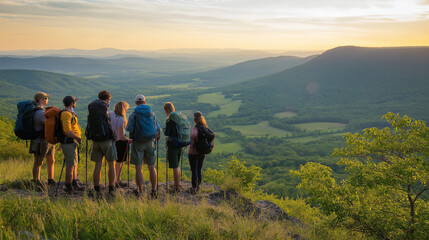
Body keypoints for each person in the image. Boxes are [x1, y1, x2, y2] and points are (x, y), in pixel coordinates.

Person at [126, 94, 160, 197]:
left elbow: (130, 129)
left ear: (136, 103)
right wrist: (156, 137)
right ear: (144, 102)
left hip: (138, 143)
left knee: (138, 168)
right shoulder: (151, 113)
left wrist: (132, 139)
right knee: (152, 167)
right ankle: (154, 191)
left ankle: (139, 190)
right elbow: (157, 128)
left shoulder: (133, 115)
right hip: (150, 141)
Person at [87, 90, 117, 196]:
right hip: (106, 140)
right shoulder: (105, 109)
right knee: (111, 164)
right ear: (107, 99)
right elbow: (109, 125)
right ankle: (111, 188)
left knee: (98, 165)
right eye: (109, 100)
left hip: (95, 140)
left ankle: (96, 188)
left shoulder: (92, 108)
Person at [29, 92, 56, 186]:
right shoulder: (40, 112)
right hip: (40, 141)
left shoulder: (40, 111)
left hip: (46, 140)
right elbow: (48, 124)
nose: (47, 99)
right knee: (38, 161)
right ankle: (36, 181)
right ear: (41, 100)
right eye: (45, 98)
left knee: (51, 159)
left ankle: (50, 179)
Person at [188, 111, 215, 194]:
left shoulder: (195, 129)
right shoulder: (205, 128)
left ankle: (194, 187)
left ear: (194, 119)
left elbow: (192, 137)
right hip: (202, 152)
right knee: (199, 170)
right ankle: (198, 186)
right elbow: (212, 135)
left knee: (194, 170)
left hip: (193, 152)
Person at [59, 96, 82, 193]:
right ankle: (68, 187)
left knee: (74, 164)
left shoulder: (69, 113)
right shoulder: (66, 114)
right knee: (70, 165)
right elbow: (67, 131)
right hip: (69, 142)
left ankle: (74, 182)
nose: (75, 103)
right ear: (72, 103)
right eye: (74, 102)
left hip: (72, 142)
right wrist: (77, 138)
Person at [109, 101, 131, 188]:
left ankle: (114, 180)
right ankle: (118, 181)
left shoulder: (110, 113)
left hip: (112, 140)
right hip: (120, 142)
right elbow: (121, 136)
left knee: (114, 161)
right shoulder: (121, 119)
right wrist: (129, 140)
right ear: (123, 109)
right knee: (119, 162)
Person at [163, 102, 183, 192]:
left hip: (173, 144)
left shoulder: (170, 119)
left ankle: (177, 187)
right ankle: (177, 183)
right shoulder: (179, 117)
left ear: (166, 110)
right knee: (177, 165)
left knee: (174, 166)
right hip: (180, 143)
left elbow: (167, 133)